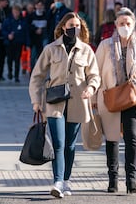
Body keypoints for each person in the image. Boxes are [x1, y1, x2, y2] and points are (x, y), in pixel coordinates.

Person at [29, 12, 100, 198]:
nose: (74, 28)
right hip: (54, 103)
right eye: (71, 25)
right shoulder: (51, 49)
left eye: (77, 25)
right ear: (63, 27)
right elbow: (37, 76)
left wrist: (91, 88)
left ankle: (66, 180)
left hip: (78, 102)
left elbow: (94, 75)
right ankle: (58, 182)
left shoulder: (86, 50)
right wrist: (36, 100)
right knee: (59, 144)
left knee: (69, 145)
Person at [95, 7, 136, 194]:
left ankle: (131, 180)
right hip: (110, 97)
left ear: (134, 26)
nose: (124, 26)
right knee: (112, 139)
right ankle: (113, 180)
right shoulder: (105, 45)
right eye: (121, 23)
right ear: (115, 25)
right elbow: (96, 73)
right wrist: (92, 98)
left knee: (132, 138)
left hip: (132, 97)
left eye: (128, 24)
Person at [2, 4, 30, 83]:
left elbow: (26, 33)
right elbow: (3, 30)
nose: (15, 13)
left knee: (17, 60)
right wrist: (8, 35)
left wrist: (27, 44)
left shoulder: (22, 21)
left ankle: (16, 76)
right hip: (9, 43)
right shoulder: (8, 20)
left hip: (19, 43)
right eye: (14, 12)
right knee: (9, 59)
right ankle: (10, 72)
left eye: (17, 12)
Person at [28, 0, 48, 72]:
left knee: (42, 58)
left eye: (41, 5)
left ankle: (40, 73)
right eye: (38, 5)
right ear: (35, 6)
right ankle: (32, 72)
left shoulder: (46, 15)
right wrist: (35, 29)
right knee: (32, 57)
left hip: (43, 39)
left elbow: (49, 26)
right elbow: (28, 26)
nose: (39, 7)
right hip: (34, 40)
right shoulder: (31, 16)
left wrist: (42, 30)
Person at [0, 0, 9, 81]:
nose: (7, 3)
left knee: (2, 57)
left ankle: (0, 74)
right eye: (5, 2)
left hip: (3, 38)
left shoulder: (5, 11)